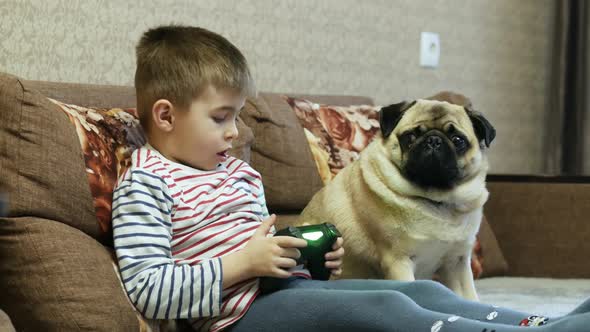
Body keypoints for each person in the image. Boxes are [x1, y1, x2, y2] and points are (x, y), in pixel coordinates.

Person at [112, 25, 590, 332]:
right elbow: (149, 289)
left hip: (284, 292)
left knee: (419, 292)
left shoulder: (239, 173)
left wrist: (306, 257)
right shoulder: (146, 184)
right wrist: (243, 265)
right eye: (221, 118)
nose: (236, 131)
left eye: (236, 116)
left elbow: (269, 258)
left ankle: (545, 324)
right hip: (234, 318)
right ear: (166, 116)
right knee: (390, 310)